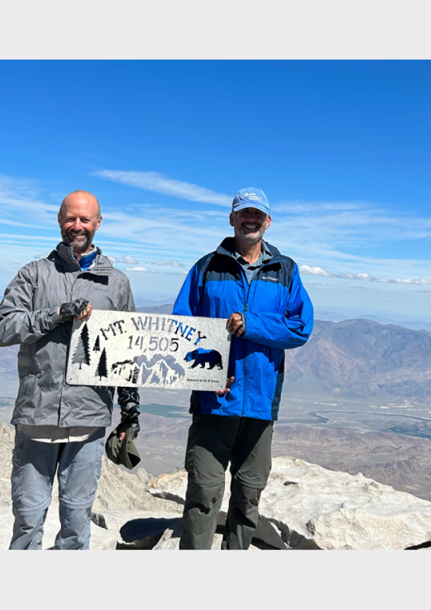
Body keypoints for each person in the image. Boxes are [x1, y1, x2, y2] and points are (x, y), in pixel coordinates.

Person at [0, 190, 140, 550]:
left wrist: (130, 410)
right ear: (59, 221)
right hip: (36, 417)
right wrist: (57, 314)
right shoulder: (34, 274)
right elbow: (2, 329)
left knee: (76, 522)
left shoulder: (116, 283)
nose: (77, 226)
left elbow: (126, 351)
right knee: (28, 520)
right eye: (71, 218)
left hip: (88, 420)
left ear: (98, 223)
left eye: (85, 219)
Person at [173, 187, 314, 550]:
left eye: (257, 214)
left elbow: (300, 327)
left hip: (261, 403)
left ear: (268, 222)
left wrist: (252, 325)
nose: (251, 220)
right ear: (232, 218)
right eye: (244, 213)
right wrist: (206, 375)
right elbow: (181, 327)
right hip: (214, 402)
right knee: (203, 492)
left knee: (249, 495)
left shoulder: (285, 270)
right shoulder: (207, 267)